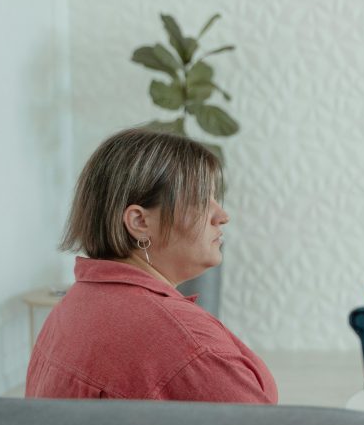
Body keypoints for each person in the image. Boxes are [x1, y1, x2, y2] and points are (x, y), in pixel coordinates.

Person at [26, 128, 277, 403]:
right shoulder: (185, 344)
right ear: (139, 222)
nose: (222, 216)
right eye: (201, 200)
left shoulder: (74, 306)